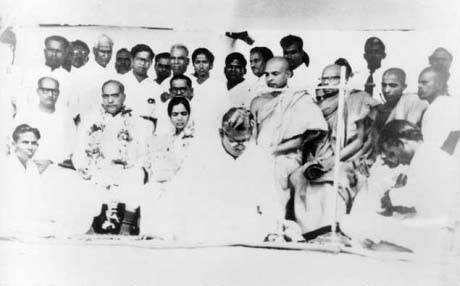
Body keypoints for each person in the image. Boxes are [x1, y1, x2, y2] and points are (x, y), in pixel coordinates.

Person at [143, 107, 284, 242]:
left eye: (245, 141)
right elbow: (178, 192)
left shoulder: (259, 157)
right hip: (209, 224)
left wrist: (273, 231)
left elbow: (270, 198)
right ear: (221, 133)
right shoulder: (203, 154)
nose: (240, 146)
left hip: (245, 225)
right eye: (234, 141)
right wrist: (161, 231)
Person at [340, 120, 460, 255]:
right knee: (371, 227)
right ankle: (385, 247)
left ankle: (385, 248)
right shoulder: (430, 154)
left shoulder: (425, 158)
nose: (395, 160)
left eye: (392, 153)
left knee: (350, 222)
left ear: (401, 143)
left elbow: (413, 197)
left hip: (434, 231)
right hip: (439, 228)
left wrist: (391, 196)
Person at [251, 57, 328, 209]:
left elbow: (303, 138)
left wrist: (273, 151)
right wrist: (256, 152)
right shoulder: (257, 101)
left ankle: (275, 221)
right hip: (260, 152)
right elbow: (253, 132)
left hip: (286, 155)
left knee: (275, 171)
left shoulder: (299, 99)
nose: (270, 78)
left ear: (288, 74)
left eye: (275, 74)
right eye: (267, 74)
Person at [0, 124, 101, 237]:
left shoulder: (31, 167)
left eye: (34, 143)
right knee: (56, 229)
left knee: (65, 222)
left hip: (27, 214)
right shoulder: (7, 166)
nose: (30, 147)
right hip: (11, 217)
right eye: (25, 142)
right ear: (14, 144)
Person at [73, 80, 151, 189]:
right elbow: (79, 150)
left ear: (123, 97)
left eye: (115, 96)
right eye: (106, 96)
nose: (110, 100)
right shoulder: (90, 121)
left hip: (126, 175)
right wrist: (81, 167)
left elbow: (144, 156)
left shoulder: (137, 122)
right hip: (96, 173)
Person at [13, 76, 76, 166]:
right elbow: (15, 144)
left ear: (58, 93)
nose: (50, 95)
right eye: (45, 90)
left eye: (54, 91)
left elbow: (71, 146)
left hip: (58, 166)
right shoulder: (25, 114)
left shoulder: (65, 116)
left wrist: (52, 162)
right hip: (29, 166)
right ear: (38, 92)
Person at [148, 97, 194, 183]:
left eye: (183, 113)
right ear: (170, 116)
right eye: (175, 114)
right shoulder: (166, 139)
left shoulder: (193, 140)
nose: (179, 118)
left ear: (189, 115)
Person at [417, 66, 460, 148]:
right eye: (419, 83)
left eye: (424, 83)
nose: (419, 86)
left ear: (439, 85)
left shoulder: (443, 106)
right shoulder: (438, 105)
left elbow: (454, 136)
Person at [120, 44, 160, 129]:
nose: (143, 63)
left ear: (151, 63)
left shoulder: (156, 88)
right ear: (132, 59)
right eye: (140, 59)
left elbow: (159, 116)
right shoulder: (120, 82)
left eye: (147, 61)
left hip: (147, 130)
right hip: (123, 128)